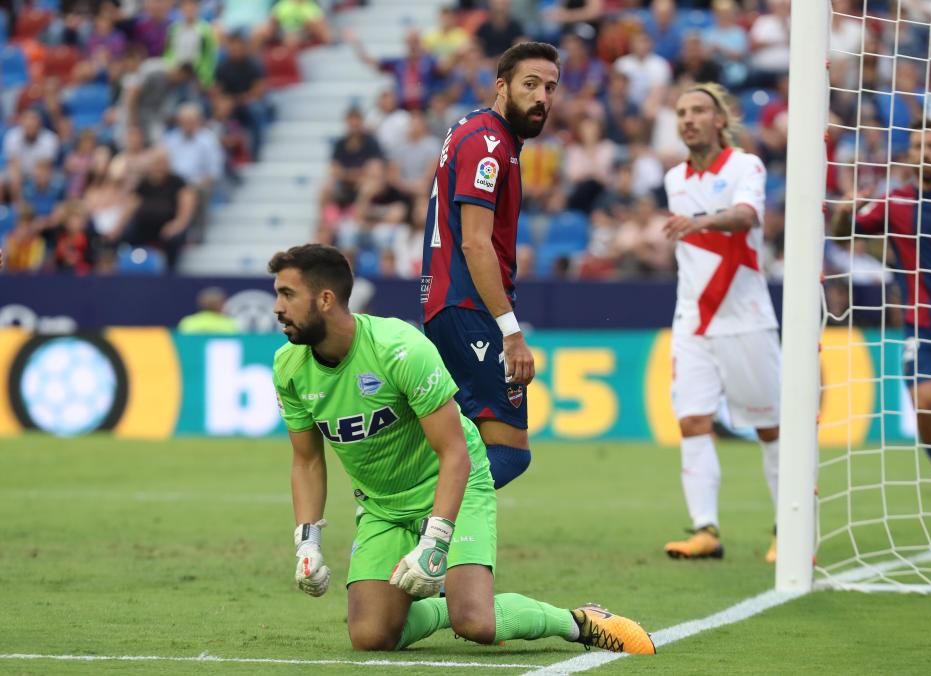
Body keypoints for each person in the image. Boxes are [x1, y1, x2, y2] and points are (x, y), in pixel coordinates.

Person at [268, 243, 654, 655]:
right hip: (383, 507)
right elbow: (307, 461)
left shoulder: (399, 349)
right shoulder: (288, 367)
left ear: (325, 299)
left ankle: (577, 621)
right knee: (370, 636)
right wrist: (307, 543)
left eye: (287, 294)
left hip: (454, 486)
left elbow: (455, 452)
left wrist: (435, 540)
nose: (277, 306)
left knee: (476, 622)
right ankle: (441, 607)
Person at [420, 42, 560, 490]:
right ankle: (410, 525)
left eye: (550, 88)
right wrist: (511, 332)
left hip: (447, 306)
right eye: (531, 84)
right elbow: (476, 245)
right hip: (471, 309)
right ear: (502, 86)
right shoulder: (489, 143)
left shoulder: (472, 130)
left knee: (458, 448)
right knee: (508, 452)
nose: (542, 97)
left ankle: (429, 545)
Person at [835, 119, 931, 528]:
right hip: (921, 324)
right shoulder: (895, 202)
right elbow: (845, 237)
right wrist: (845, 213)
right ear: (908, 155)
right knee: (925, 404)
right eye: (917, 147)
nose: (924, 154)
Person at [660, 82, 782, 561]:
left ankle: (788, 527)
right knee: (692, 421)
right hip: (692, 319)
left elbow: (748, 217)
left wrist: (700, 222)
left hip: (744, 318)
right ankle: (705, 529)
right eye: (682, 112)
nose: (688, 119)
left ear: (719, 119)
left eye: (698, 111)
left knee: (770, 428)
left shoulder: (745, 165)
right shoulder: (674, 179)